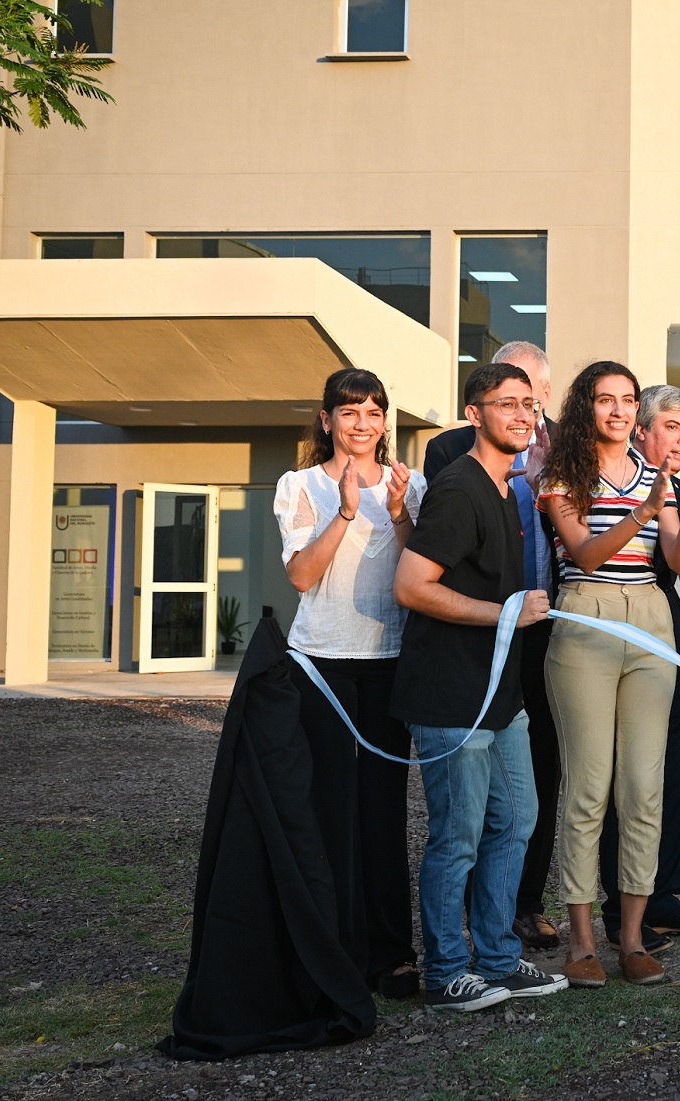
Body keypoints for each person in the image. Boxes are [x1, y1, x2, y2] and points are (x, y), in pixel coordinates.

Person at [391, 362, 566, 1012]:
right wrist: (505, 614)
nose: (522, 414)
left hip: (501, 696)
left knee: (516, 819)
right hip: (450, 694)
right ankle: (445, 971)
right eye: (506, 403)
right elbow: (411, 586)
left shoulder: (507, 484)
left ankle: (495, 956)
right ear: (473, 413)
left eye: (530, 404)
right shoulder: (461, 486)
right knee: (458, 833)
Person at [539, 361, 680, 988]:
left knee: (644, 788)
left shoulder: (656, 475)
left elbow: (677, 560)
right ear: (584, 406)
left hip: (650, 616)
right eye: (605, 399)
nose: (618, 410)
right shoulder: (562, 474)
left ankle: (634, 939)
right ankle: (582, 940)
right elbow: (585, 553)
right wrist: (647, 509)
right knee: (589, 790)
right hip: (585, 615)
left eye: (627, 400)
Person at [274, 367, 424, 999]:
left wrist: (395, 514)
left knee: (384, 812)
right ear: (328, 420)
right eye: (350, 412)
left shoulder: (410, 483)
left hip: (389, 659)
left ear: (384, 420)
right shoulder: (299, 484)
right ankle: (337, 952)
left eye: (374, 411)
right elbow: (302, 577)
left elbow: (420, 569)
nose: (363, 423)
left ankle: (391, 953)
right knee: (332, 810)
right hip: (321, 663)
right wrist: (344, 512)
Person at [599, 386, 680, 949]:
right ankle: (618, 907)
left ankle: (664, 894)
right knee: (626, 784)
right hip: (630, 652)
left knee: (676, 776)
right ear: (642, 430)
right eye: (672, 426)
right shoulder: (619, 488)